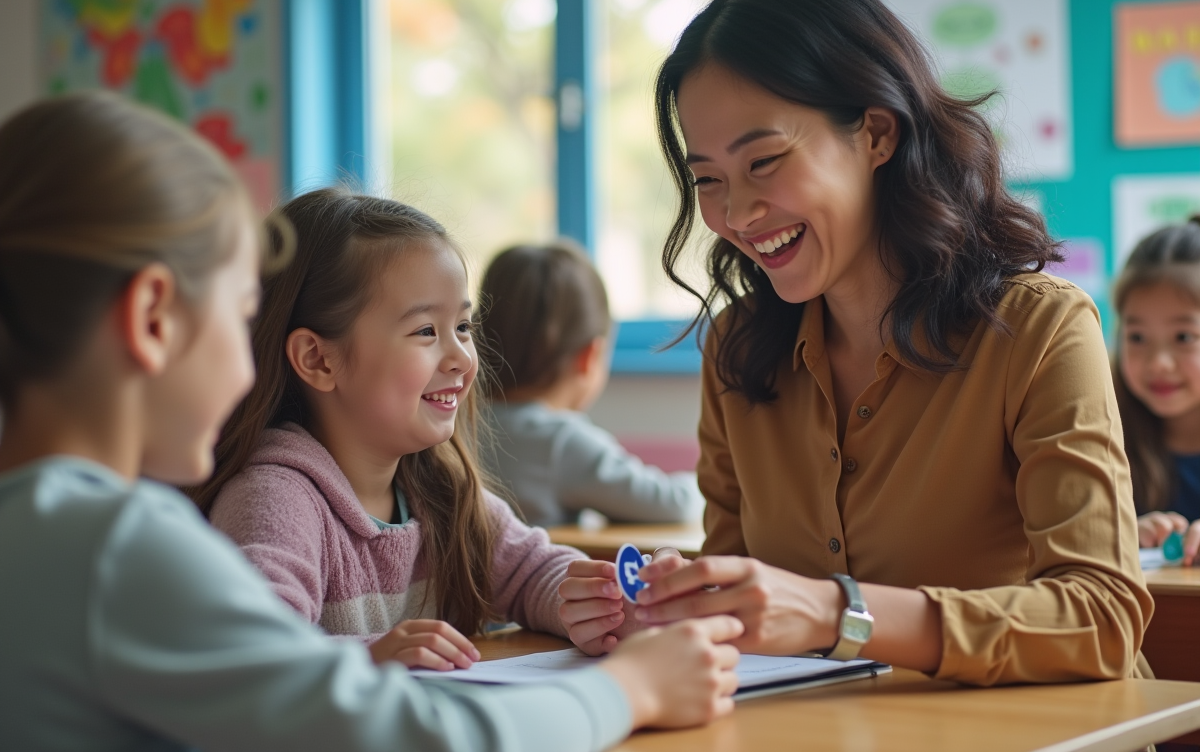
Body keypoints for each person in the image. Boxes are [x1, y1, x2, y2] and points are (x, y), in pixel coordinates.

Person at [0, 92, 743, 751]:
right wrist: (633, 689)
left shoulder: (49, 529)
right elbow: (420, 736)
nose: (246, 366)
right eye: (239, 318)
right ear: (152, 319)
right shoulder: (112, 549)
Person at [557, 0, 1151, 684]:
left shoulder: (1040, 331)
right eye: (707, 179)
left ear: (875, 134)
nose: (735, 215)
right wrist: (662, 609)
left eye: (765, 161)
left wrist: (838, 613)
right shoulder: (740, 351)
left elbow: (1101, 619)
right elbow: (739, 617)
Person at [191, 190, 629, 669]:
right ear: (317, 359)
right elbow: (253, 650)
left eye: (463, 327)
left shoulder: (439, 489)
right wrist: (372, 656)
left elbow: (532, 572)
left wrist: (597, 600)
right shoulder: (274, 498)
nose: (463, 358)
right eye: (425, 331)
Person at [477, 241, 702, 527]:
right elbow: (674, 504)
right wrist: (706, 483)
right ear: (589, 356)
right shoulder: (559, 442)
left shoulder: (454, 428)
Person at [1114, 217, 1200, 563]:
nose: (1158, 363)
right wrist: (1120, 534)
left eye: (1183, 337)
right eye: (1137, 338)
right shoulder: (1105, 432)